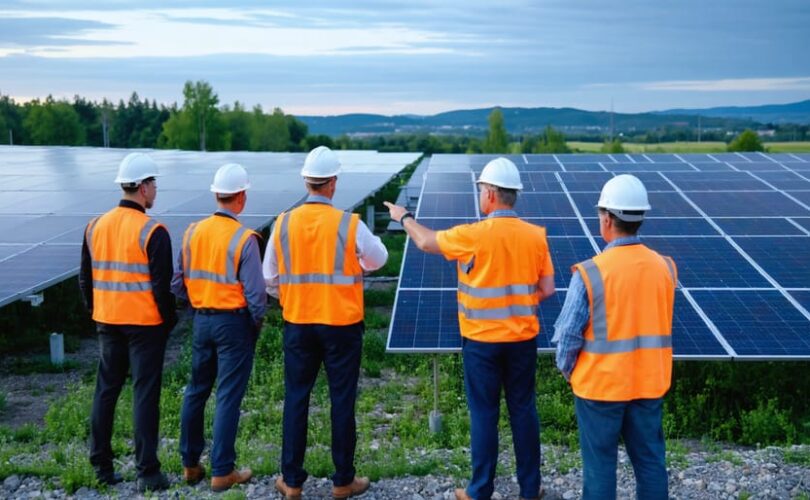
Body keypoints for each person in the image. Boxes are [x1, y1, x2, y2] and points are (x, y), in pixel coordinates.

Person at [385, 157, 556, 500]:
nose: (480, 196)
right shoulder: (535, 236)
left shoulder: (472, 236)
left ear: (491, 194)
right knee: (523, 410)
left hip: (481, 342)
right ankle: (530, 487)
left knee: (484, 414)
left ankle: (480, 490)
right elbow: (548, 288)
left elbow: (426, 242)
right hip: (522, 339)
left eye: (481, 191)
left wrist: (404, 217)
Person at [265, 146, 388, 500]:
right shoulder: (350, 224)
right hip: (342, 325)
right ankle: (342, 481)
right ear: (333, 183)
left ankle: (291, 481)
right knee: (342, 400)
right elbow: (378, 258)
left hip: (299, 323)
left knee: (296, 399)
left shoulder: (284, 222)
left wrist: (289, 297)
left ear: (306, 181)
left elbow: (268, 275)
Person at [553, 174, 677, 500]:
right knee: (651, 464)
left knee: (599, 469)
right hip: (649, 384)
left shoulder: (591, 272)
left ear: (607, 219)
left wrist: (571, 373)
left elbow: (567, 337)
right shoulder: (665, 267)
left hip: (600, 389)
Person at [79, 152, 176, 493]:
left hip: (107, 320)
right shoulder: (153, 231)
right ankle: (147, 472)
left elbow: (85, 280)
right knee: (144, 394)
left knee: (105, 391)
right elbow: (162, 288)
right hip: (145, 325)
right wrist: (168, 321)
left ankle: (101, 467)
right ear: (143, 187)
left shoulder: (95, 226)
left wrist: (98, 311)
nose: (156, 190)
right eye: (154, 183)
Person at [172, 163, 267, 492]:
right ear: (241, 197)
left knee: (196, 390)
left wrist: (198, 304)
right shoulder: (245, 239)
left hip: (201, 320)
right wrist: (254, 325)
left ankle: (189, 464)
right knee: (227, 395)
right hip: (233, 323)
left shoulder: (191, 233)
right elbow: (256, 295)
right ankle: (222, 471)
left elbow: (177, 283)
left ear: (216, 194)